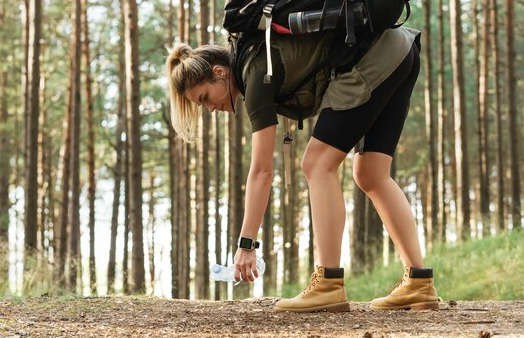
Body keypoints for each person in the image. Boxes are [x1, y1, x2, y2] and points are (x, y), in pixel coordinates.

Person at [165, 25, 439, 313]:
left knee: (317, 163)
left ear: (219, 72)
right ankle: (419, 282)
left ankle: (328, 284)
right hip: (398, 48)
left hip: (376, 55)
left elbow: (261, 172)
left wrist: (246, 245)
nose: (209, 108)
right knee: (371, 172)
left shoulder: (255, 73)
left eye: (205, 97)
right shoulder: (258, 60)